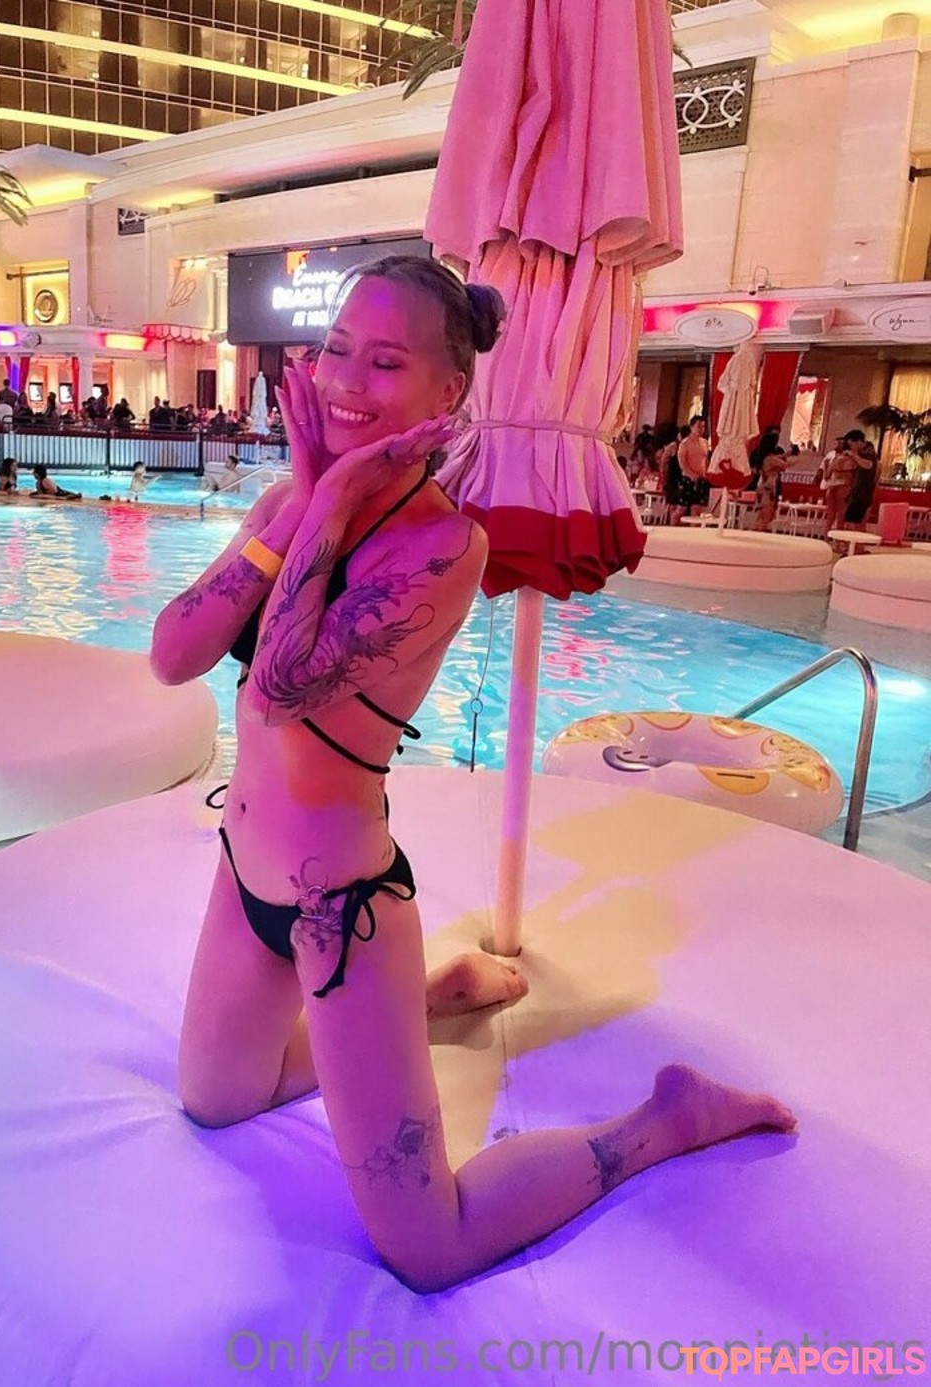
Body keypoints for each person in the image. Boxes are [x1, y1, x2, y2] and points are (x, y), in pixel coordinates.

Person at [150, 254, 795, 1294]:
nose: (346, 380)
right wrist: (306, 502)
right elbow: (172, 653)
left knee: (428, 1245)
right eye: (337, 350)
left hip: (340, 913)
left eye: (386, 361)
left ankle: (665, 1119)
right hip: (244, 875)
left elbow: (274, 692)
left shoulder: (446, 547)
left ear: (449, 394)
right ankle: (429, 1000)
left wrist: (328, 498)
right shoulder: (281, 504)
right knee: (215, 1099)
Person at [676, 414, 710, 517]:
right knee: (681, 509)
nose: (701, 429)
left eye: (703, 426)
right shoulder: (685, 444)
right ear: (692, 427)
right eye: (698, 426)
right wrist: (691, 474)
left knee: (696, 509)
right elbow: (682, 462)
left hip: (701, 478)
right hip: (688, 479)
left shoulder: (705, 443)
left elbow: (705, 460)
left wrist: (706, 473)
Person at [842, 441, 879, 529]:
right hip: (859, 494)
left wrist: (853, 455)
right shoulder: (862, 463)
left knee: (856, 523)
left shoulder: (869, 462)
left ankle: (853, 536)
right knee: (852, 522)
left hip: (861, 495)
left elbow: (867, 465)